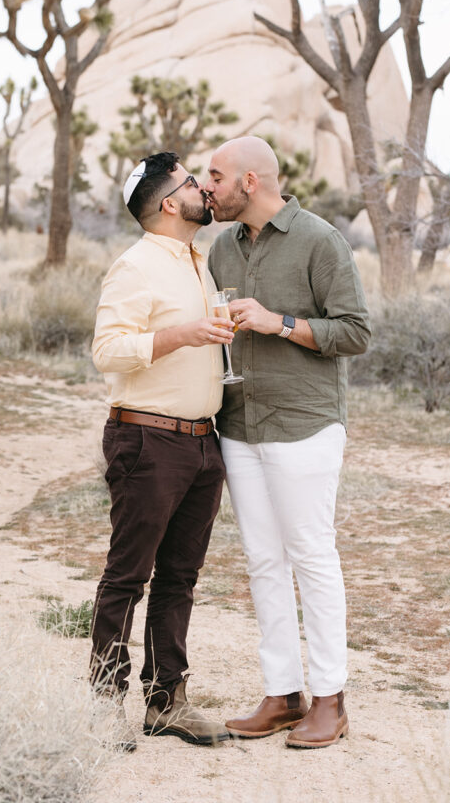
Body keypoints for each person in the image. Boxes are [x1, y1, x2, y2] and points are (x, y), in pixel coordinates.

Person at [205, 135, 371, 748]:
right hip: (240, 423)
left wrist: (281, 323)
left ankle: (331, 699)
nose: (208, 187)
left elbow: (356, 332)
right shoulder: (223, 247)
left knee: (311, 556)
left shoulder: (320, 240)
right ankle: (282, 694)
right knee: (262, 560)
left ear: (250, 181)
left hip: (304, 423)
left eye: (217, 176)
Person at [90, 151, 233, 751]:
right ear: (170, 202)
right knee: (129, 577)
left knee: (180, 578)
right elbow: (107, 350)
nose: (203, 188)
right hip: (146, 440)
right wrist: (185, 334)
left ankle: (165, 702)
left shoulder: (198, 262)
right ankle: (103, 705)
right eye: (192, 182)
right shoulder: (136, 267)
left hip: (202, 444)